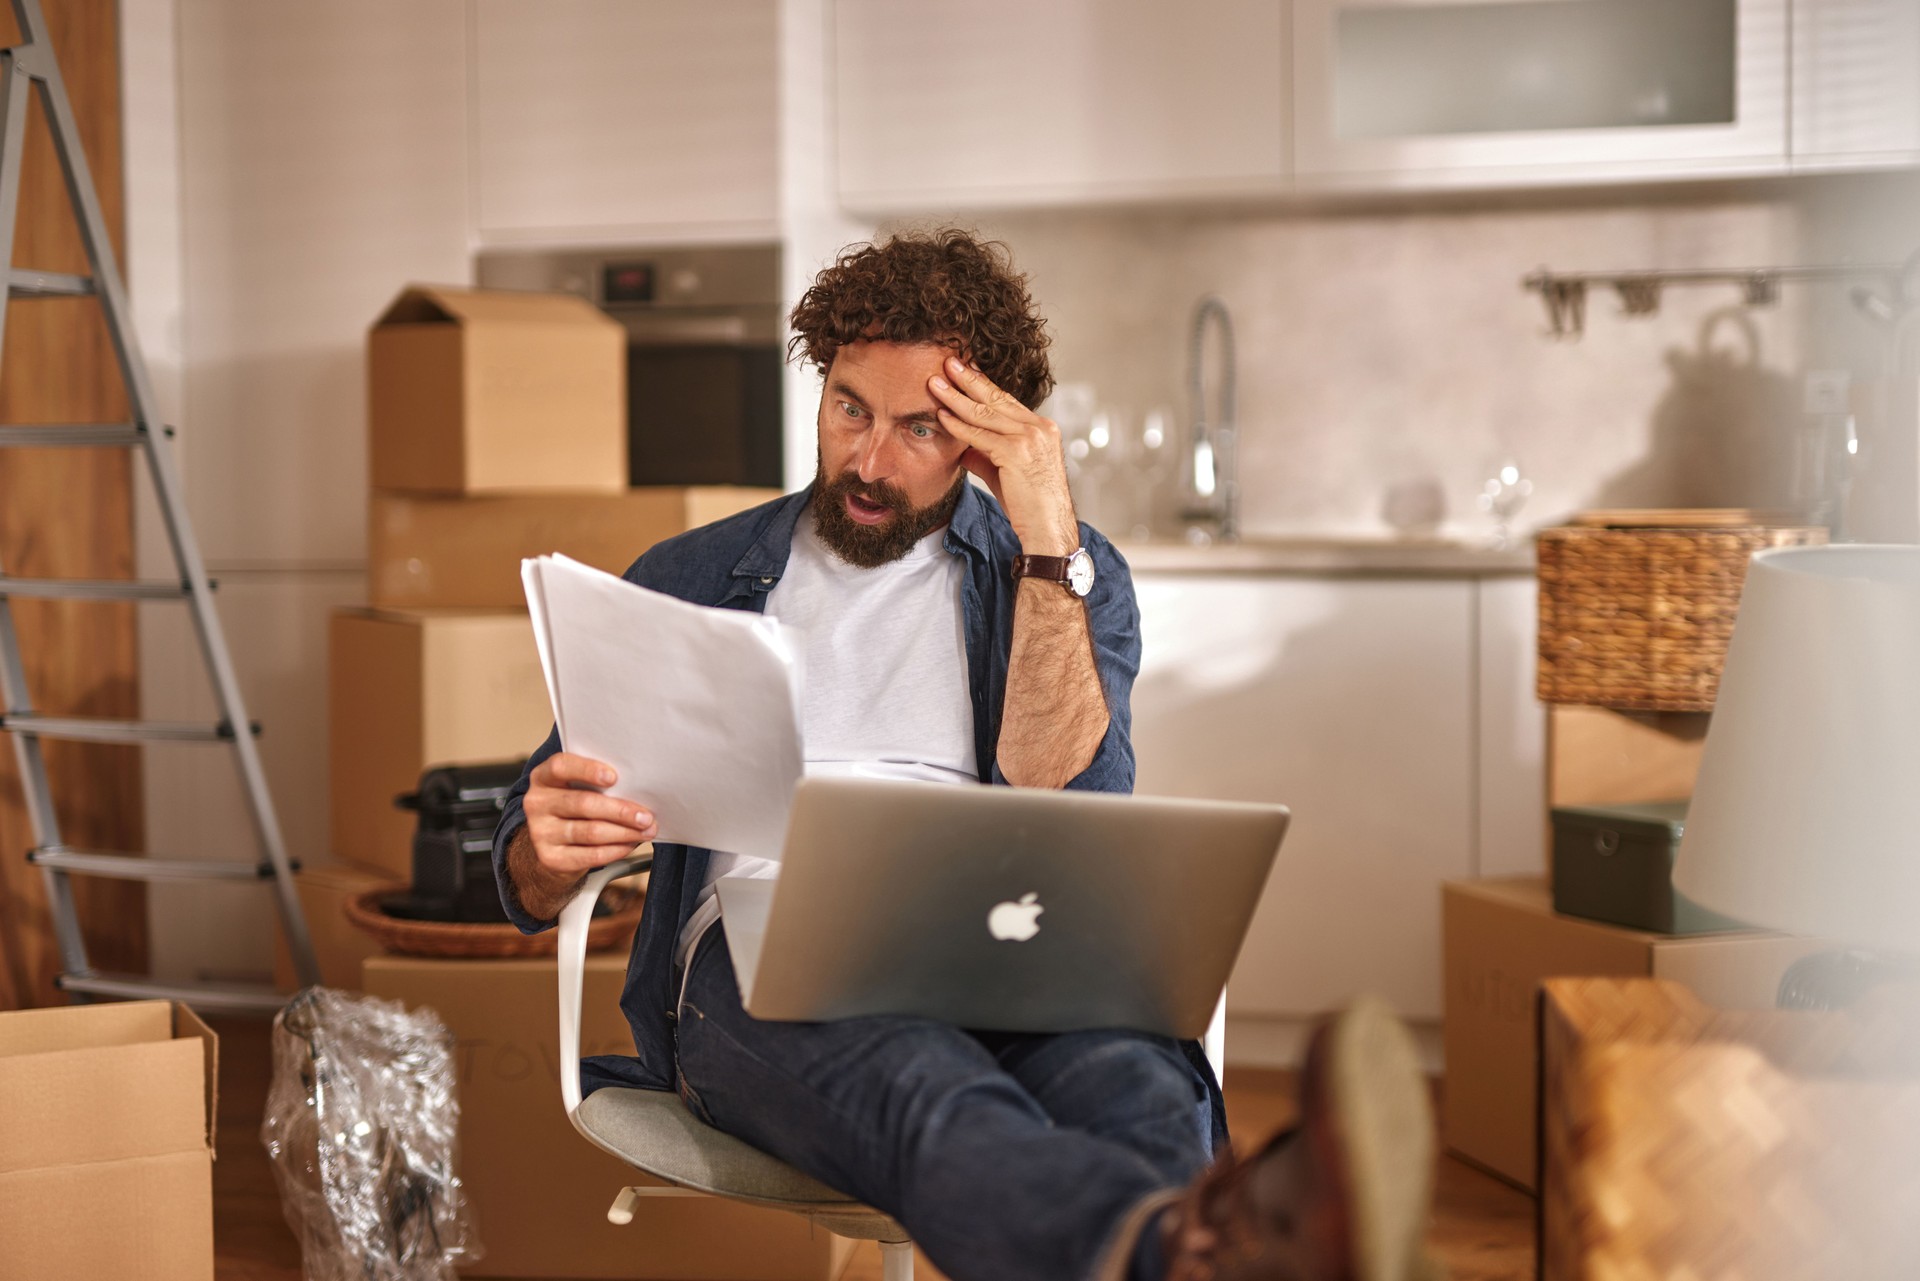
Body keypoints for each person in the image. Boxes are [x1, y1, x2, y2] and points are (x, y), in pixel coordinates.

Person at [492, 229, 1437, 1281]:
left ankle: (1196, 1249)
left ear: (990, 439)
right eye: (849, 407)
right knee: (925, 1084)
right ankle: (1199, 1244)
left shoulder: (1069, 576)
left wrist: (1046, 539)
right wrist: (549, 844)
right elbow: (527, 882)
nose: (868, 458)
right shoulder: (692, 572)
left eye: (920, 429)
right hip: (756, 959)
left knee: (1135, 1084)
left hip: (1003, 940)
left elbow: (1070, 806)